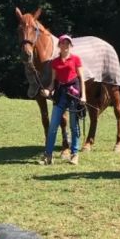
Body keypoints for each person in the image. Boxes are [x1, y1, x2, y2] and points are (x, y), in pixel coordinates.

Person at [39, 34, 87, 165]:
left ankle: (74, 154)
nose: (65, 46)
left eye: (67, 43)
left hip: (73, 94)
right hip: (60, 95)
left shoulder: (76, 59)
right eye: (63, 43)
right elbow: (53, 81)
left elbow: (82, 79)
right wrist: (48, 90)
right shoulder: (55, 62)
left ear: (70, 45)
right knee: (53, 126)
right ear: (59, 45)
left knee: (73, 126)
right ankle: (48, 156)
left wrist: (83, 96)